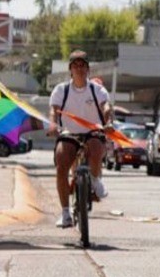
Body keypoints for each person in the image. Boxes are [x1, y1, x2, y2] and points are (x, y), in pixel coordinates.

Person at [48, 51, 113, 228]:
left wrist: (108, 122)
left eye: (82, 65)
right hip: (69, 133)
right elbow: (54, 110)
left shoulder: (97, 89)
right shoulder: (61, 90)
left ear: (88, 69)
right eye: (75, 65)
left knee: (96, 148)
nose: (79, 68)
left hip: (93, 131)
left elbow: (106, 107)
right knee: (61, 163)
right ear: (70, 69)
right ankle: (65, 213)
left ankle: (95, 180)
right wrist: (53, 125)